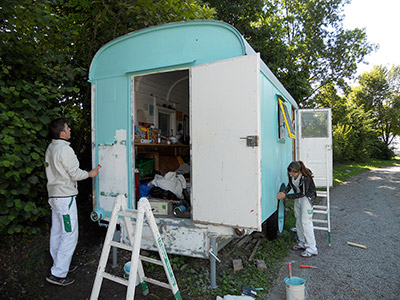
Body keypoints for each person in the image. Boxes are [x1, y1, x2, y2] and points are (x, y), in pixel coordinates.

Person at [44, 118, 100, 286]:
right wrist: (91, 174)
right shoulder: (65, 150)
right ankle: (58, 274)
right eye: (67, 128)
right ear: (62, 133)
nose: (70, 130)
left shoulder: (51, 148)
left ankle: (59, 265)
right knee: (69, 234)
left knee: (57, 231)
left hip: (54, 196)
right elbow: (75, 174)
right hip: (65, 198)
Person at [277, 161, 317, 258]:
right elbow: (290, 185)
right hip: (298, 198)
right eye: (289, 173)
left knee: (306, 222)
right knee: (298, 220)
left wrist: (286, 196)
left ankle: (312, 248)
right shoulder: (291, 174)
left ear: (298, 172)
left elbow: (303, 193)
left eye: (292, 173)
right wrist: (284, 192)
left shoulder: (305, 178)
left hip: (307, 198)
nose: (290, 175)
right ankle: (302, 242)